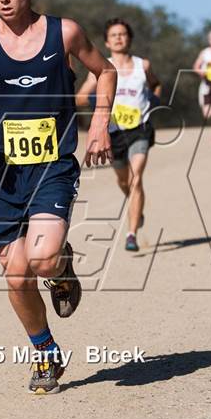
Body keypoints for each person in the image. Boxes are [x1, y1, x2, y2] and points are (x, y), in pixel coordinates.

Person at [0, 0, 116, 394]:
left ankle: (61, 267)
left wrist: (99, 126)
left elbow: (105, 72)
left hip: (53, 166)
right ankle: (45, 352)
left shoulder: (64, 33)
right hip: (2, 172)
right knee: (18, 273)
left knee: (42, 259)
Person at [77, 18, 161, 252]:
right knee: (124, 181)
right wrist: (96, 103)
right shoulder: (101, 69)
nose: (118, 38)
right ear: (106, 41)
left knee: (136, 179)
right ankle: (137, 208)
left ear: (129, 38)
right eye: (114, 35)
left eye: (123, 34)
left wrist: (154, 99)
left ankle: (131, 234)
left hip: (140, 129)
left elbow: (156, 85)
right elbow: (81, 98)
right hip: (113, 133)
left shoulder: (142, 65)